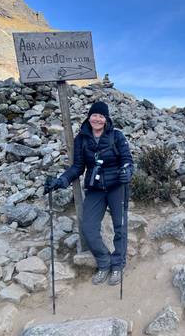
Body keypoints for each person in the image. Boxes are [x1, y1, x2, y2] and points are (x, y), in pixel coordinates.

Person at [44, 101, 134, 286]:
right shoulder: (81, 139)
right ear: (89, 116)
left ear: (106, 119)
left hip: (118, 186)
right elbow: (78, 167)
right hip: (95, 188)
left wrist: (127, 171)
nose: (98, 119)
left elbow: (127, 160)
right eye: (95, 115)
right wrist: (61, 180)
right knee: (89, 228)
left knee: (120, 227)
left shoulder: (116, 136)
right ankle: (104, 263)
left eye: (102, 116)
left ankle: (117, 265)